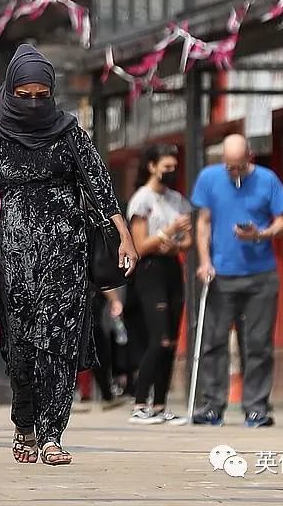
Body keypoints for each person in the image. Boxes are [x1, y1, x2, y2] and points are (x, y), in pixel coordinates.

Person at [0, 44, 137, 466]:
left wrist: (125, 237)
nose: (33, 103)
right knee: (21, 344)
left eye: (42, 95)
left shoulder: (70, 134)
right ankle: (25, 421)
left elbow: (100, 187)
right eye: (23, 94)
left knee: (58, 342)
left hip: (68, 251)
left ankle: (52, 435)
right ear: (9, 91)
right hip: (14, 253)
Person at [191, 134, 283, 428]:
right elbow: (204, 223)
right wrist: (205, 261)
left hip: (260, 274)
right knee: (214, 341)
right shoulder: (209, 178)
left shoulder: (267, 179)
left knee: (258, 343)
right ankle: (212, 405)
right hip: (221, 274)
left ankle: (256, 407)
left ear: (250, 157)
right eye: (228, 166)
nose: (233, 172)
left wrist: (260, 234)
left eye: (238, 166)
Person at [125, 144, 193, 425]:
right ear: (152, 166)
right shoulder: (142, 200)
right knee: (159, 337)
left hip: (172, 269)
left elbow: (186, 242)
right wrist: (168, 233)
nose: (171, 172)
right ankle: (140, 402)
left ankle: (161, 404)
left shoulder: (178, 200)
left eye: (174, 167)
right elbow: (140, 245)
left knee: (172, 341)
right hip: (149, 272)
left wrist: (172, 242)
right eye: (166, 167)